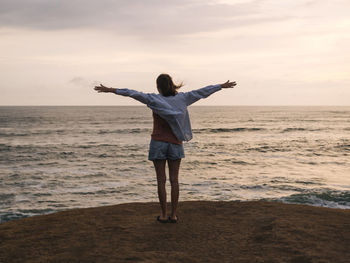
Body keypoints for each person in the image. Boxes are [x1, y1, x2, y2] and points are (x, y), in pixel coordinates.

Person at [94, 74, 237, 223]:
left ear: (158, 87)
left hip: (158, 143)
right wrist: (220, 86)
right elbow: (202, 92)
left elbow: (132, 93)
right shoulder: (183, 98)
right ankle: (174, 215)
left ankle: (163, 215)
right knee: (174, 181)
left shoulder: (153, 99)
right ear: (172, 84)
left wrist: (110, 90)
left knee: (161, 181)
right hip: (175, 144)